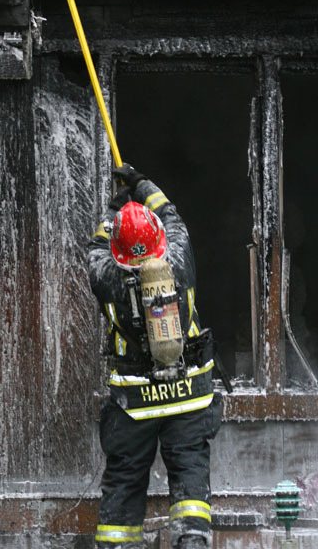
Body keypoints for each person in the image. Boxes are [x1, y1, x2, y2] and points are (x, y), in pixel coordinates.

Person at [88, 164, 223, 549]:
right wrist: (141, 184)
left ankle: (117, 543)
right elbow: (171, 216)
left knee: (125, 478)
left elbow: (96, 246)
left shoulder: (107, 275)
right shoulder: (178, 258)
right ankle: (192, 540)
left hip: (134, 402)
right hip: (189, 391)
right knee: (190, 470)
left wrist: (113, 213)